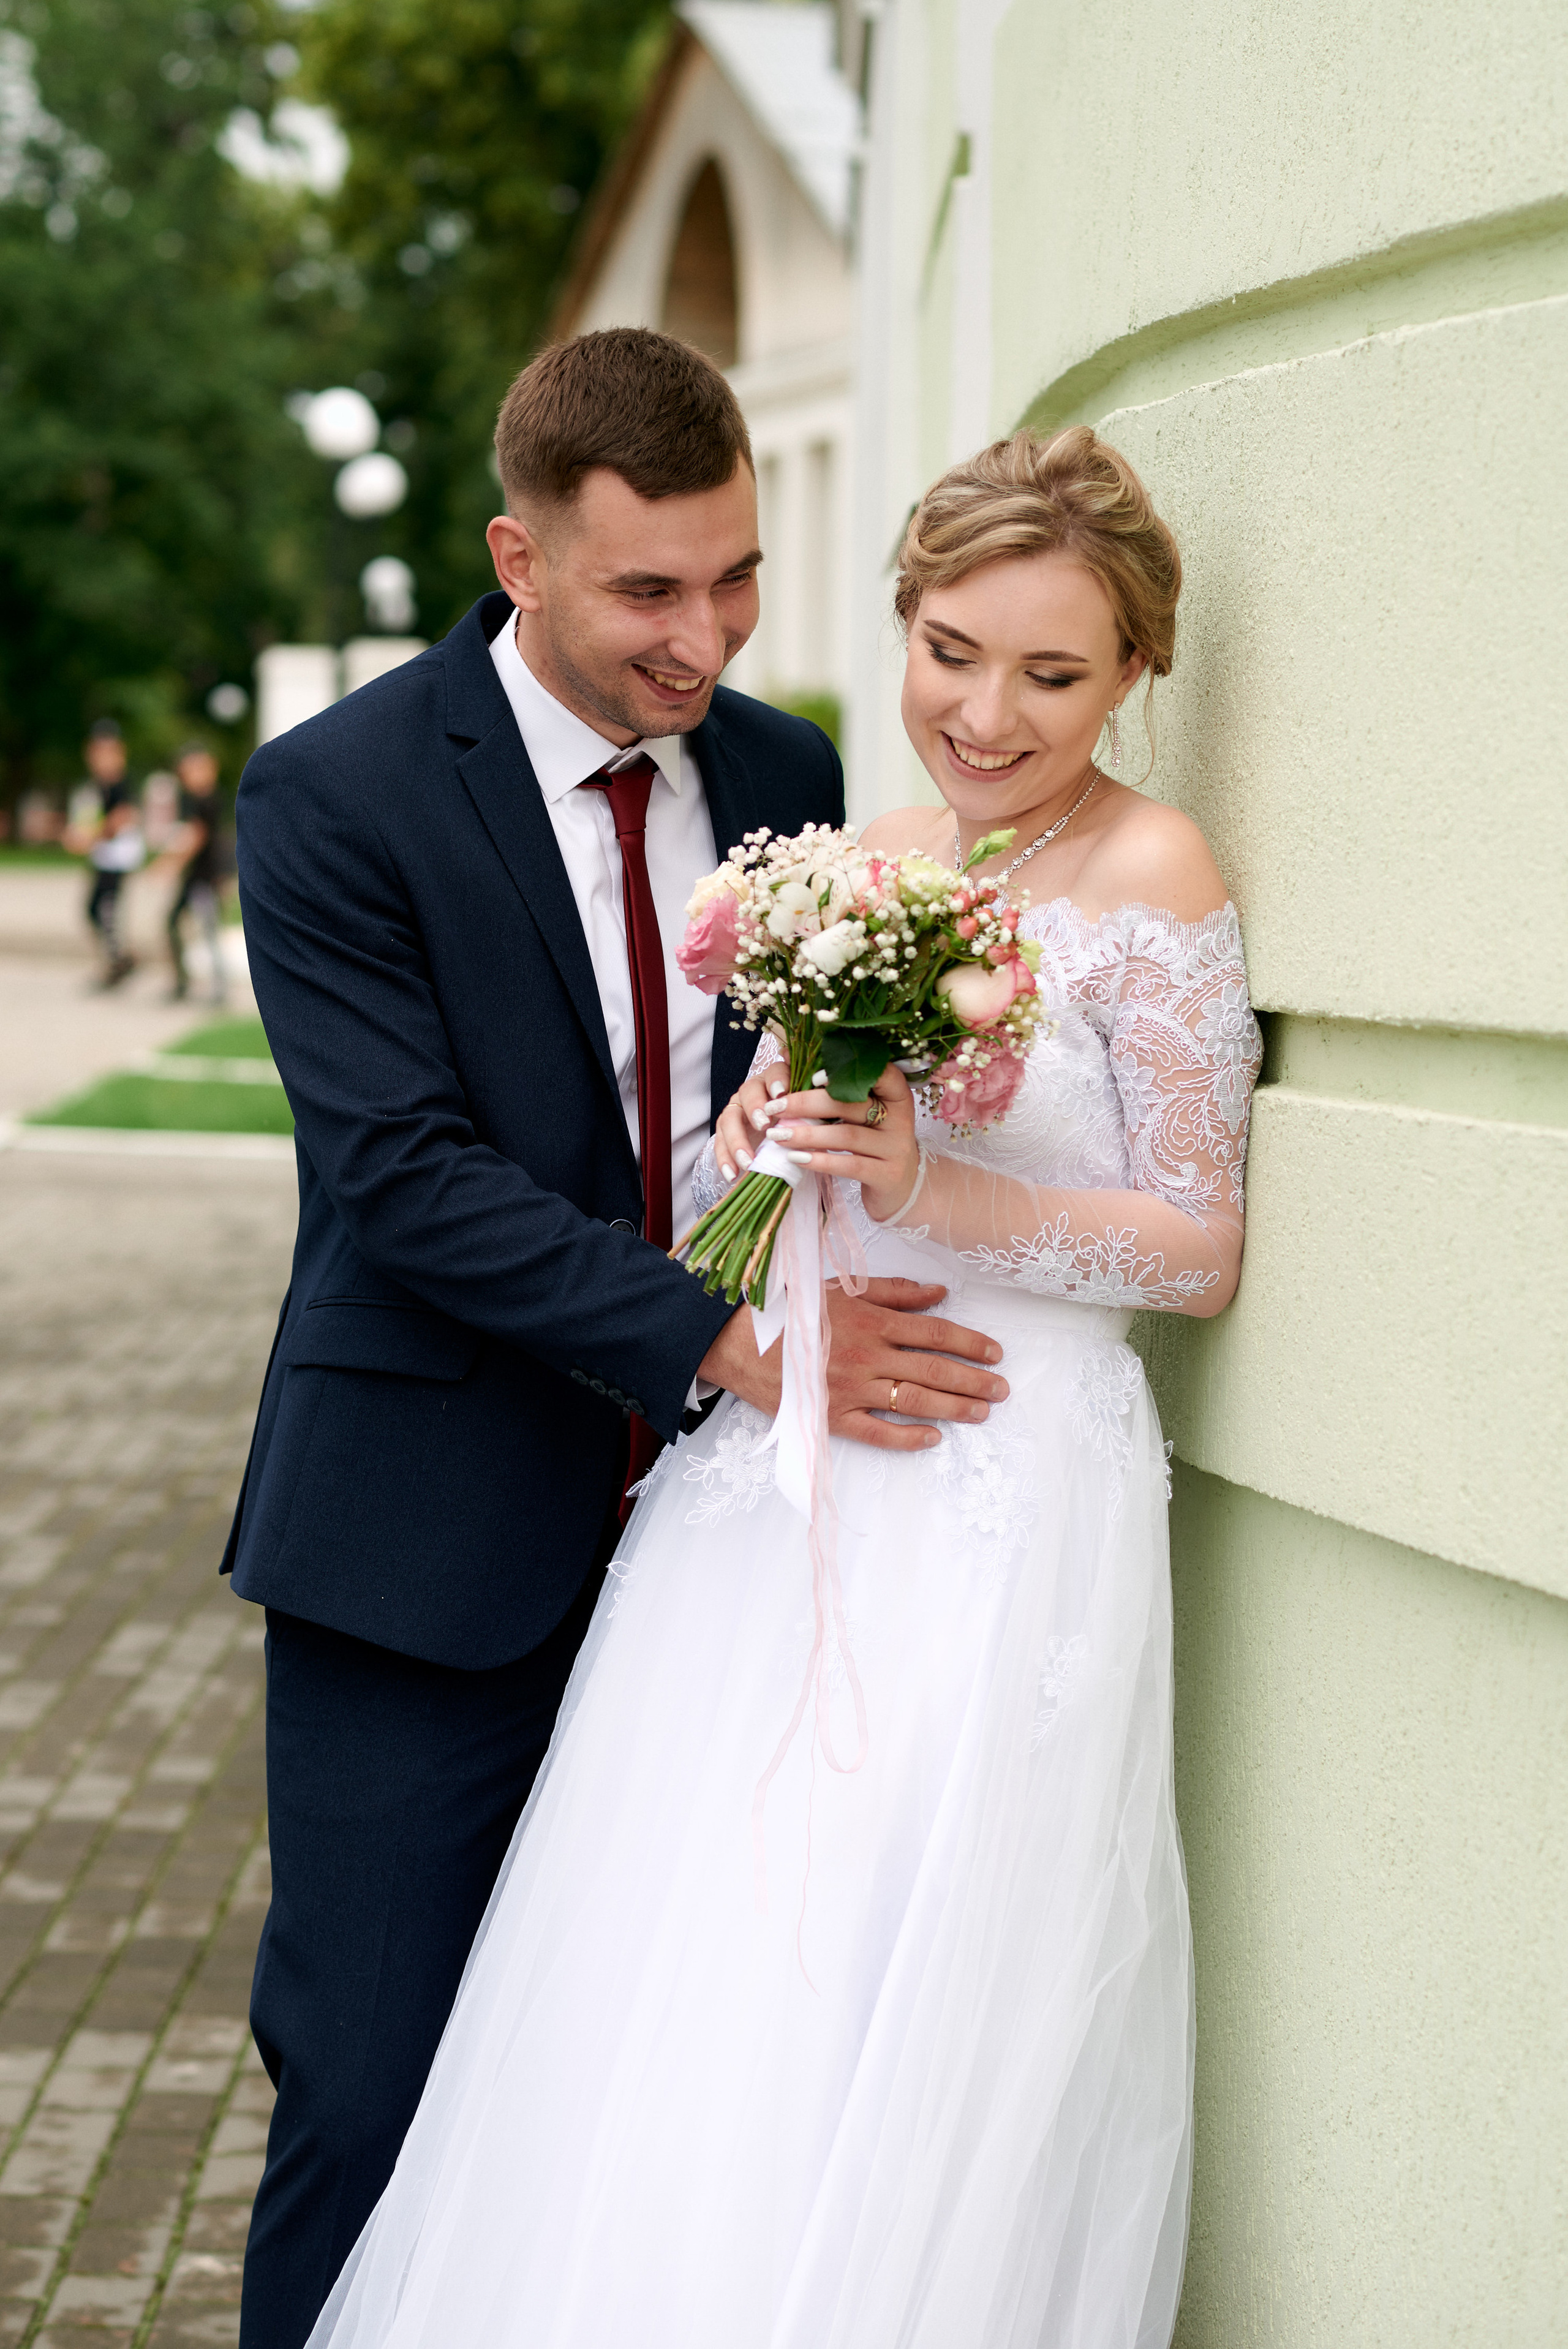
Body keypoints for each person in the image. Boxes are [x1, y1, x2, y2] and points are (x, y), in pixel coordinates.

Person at [304, 424, 1265, 2347]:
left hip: (1003, 1476)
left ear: (1135, 672)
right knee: (713, 1961)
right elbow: (736, 1180)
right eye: (948, 651)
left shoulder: (1153, 869)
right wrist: (769, 1127)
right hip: (780, 1468)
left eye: (1051, 674)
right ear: (900, 625)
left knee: (932, 1974)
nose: (985, 713)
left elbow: (1196, 1241)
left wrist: (932, 1181)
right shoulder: (856, 845)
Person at [227, 328, 1006, 2349]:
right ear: (518, 555)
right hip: (424, 1544)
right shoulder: (335, 796)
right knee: (377, 2089)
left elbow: (788, 1125)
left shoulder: (786, 777)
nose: (708, 635)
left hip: (721, 1560)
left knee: (646, 2105)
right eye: (652, 589)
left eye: (738, 576)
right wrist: (733, 1347)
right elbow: (402, 1178)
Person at [64, 718, 143, 988]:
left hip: (117, 857)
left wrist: (91, 836)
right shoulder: (98, 784)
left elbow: (124, 817)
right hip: (105, 855)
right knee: (96, 909)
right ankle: (118, 960)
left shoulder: (119, 781)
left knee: (105, 910)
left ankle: (119, 962)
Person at [161, 741, 228, 1005]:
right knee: (172, 923)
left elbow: (197, 837)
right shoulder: (189, 799)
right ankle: (182, 982)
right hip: (193, 877)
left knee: (209, 929)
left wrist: (169, 863)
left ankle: (219, 987)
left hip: (207, 878)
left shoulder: (211, 799)